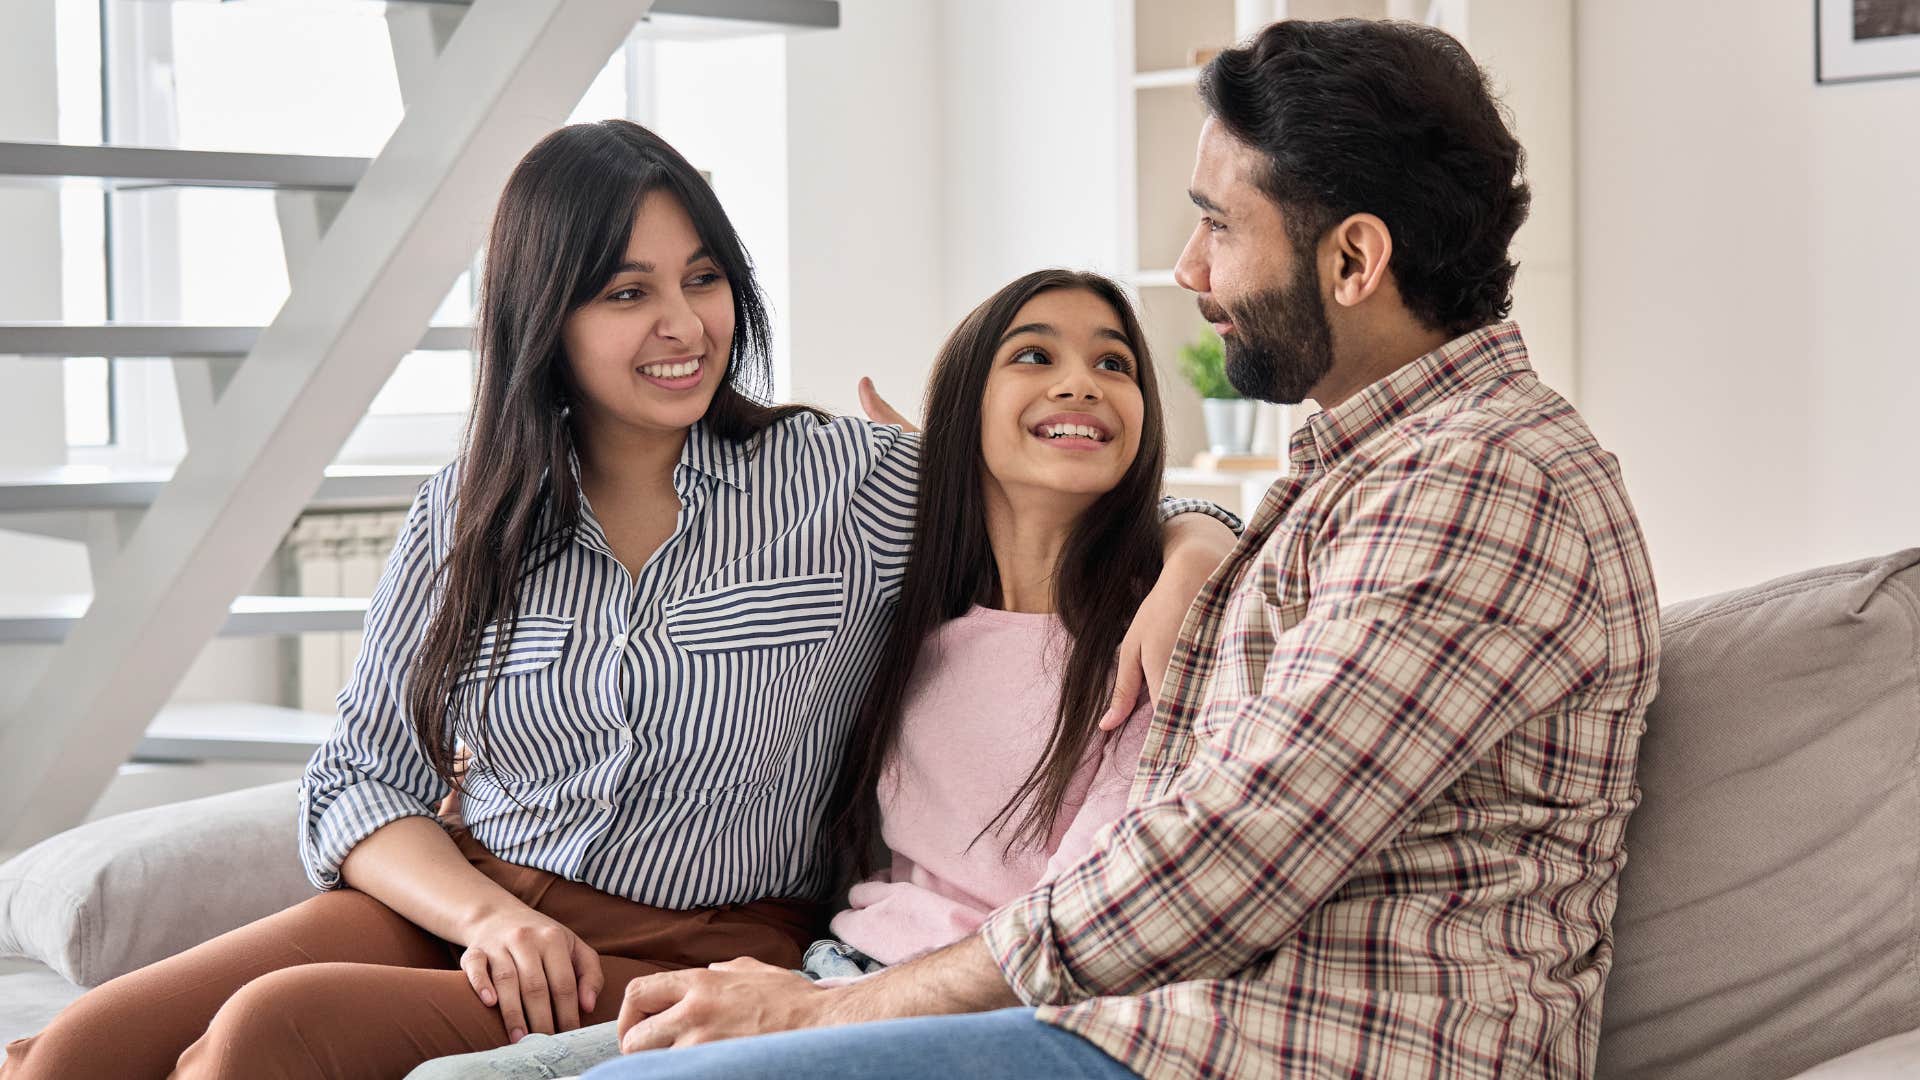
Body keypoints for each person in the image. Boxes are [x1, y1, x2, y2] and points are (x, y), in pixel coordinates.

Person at [0, 124, 1234, 1080]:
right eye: (626, 291)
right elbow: (361, 779)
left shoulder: (847, 481)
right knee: (76, 1050)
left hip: (692, 938)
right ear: (549, 317)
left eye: (701, 279)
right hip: (475, 894)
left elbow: (1070, 487)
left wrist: (1189, 555)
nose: (683, 324)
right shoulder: (469, 509)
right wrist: (487, 917)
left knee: (276, 1030)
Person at [576, 18, 1662, 1080]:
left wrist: (828, 1013)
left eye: (1219, 227)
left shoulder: (1482, 482)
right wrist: (1079, 504)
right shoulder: (1376, 474)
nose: (1190, 272)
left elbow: (1235, 852)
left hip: (1290, 1046)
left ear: (1354, 259)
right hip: (1165, 1028)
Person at [411, 268, 1186, 1079]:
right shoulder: (907, 611)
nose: (1081, 384)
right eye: (1033, 356)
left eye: (1115, 365)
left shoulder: (1160, 641)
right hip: (833, 975)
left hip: (968, 1017)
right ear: (960, 415)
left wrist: (1196, 549)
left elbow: (1095, 924)